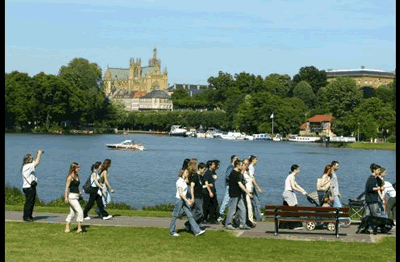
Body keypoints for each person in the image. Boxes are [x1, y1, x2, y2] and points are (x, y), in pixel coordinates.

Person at [169, 162, 205, 237]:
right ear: (182, 173)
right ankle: (172, 231)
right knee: (175, 216)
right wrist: (187, 200)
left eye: (187, 172)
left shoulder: (184, 181)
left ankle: (197, 231)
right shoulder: (179, 181)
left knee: (190, 215)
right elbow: (181, 193)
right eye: (186, 172)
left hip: (183, 201)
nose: (187, 173)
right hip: (179, 200)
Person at [225, 159, 253, 230]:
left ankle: (242, 224)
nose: (242, 166)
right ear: (237, 165)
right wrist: (248, 192)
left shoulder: (239, 173)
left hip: (238, 194)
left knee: (242, 209)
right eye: (241, 165)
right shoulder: (234, 173)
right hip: (234, 194)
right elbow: (240, 184)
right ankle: (228, 224)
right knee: (232, 209)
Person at [280, 164, 307, 230]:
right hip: (289, 193)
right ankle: (295, 225)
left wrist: (303, 190)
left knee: (286, 211)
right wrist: (301, 192)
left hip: (287, 193)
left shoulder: (290, 176)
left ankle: (283, 225)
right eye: (298, 169)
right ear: (295, 170)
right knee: (294, 209)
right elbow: (293, 187)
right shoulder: (292, 176)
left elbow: (296, 185)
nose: (299, 171)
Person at [21, 149, 44, 222]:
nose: (32, 159)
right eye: (31, 158)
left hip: (29, 187)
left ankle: (29, 216)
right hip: (29, 187)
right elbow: (36, 162)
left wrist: (38, 155)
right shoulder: (27, 166)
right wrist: (39, 155)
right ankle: (26, 217)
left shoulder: (27, 166)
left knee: (31, 202)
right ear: (28, 160)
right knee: (29, 202)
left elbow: (35, 162)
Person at [184, 159, 205, 231]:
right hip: (196, 196)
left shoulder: (199, 176)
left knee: (195, 211)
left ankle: (195, 226)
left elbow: (200, 185)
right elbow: (191, 186)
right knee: (200, 212)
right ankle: (189, 223)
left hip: (200, 195)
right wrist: (192, 197)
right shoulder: (194, 175)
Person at [64, 162, 84, 233]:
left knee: (72, 213)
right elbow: (67, 188)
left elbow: (77, 186)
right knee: (80, 211)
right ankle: (79, 228)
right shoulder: (70, 177)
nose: (79, 169)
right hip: (72, 196)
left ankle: (67, 227)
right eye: (77, 167)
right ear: (74, 168)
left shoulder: (77, 176)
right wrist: (66, 197)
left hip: (77, 196)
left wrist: (80, 194)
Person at [218, 155, 238, 222]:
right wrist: (233, 180)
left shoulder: (234, 167)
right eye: (236, 158)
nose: (237, 159)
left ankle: (230, 213)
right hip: (229, 185)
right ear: (233, 159)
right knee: (226, 199)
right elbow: (227, 176)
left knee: (230, 200)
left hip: (232, 186)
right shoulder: (231, 167)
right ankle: (221, 213)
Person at [248, 155, 263, 221]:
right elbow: (252, 178)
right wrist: (258, 188)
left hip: (249, 187)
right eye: (256, 160)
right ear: (253, 160)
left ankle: (254, 216)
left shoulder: (249, 167)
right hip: (251, 187)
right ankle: (258, 217)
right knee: (257, 202)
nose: (257, 161)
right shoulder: (251, 167)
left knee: (251, 202)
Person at [242, 158, 256, 227]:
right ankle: (250, 221)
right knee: (248, 206)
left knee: (249, 206)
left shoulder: (249, 171)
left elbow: (252, 180)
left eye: (247, 164)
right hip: (245, 192)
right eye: (245, 164)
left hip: (250, 191)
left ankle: (250, 220)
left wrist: (257, 188)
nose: (246, 166)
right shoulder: (242, 173)